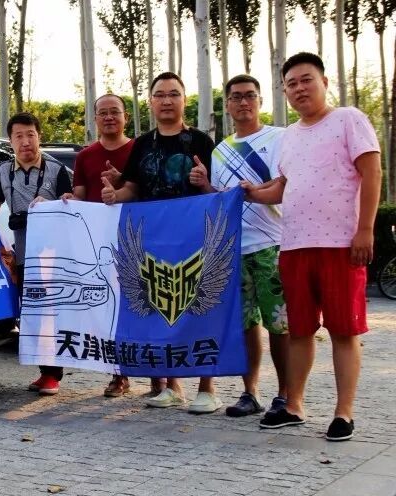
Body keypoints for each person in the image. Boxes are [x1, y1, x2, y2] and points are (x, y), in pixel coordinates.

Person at [242, 52, 381, 441]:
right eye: (291, 84)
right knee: (300, 330)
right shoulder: (289, 136)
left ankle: (343, 413)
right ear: (285, 91)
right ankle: (294, 405)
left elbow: (372, 171)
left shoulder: (349, 119)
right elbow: (282, 187)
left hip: (340, 245)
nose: (299, 88)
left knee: (343, 329)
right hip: (293, 247)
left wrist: (365, 229)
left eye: (307, 80)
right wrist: (251, 193)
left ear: (324, 82)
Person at [101, 71, 221, 414]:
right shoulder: (142, 144)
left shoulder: (201, 142)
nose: (167, 100)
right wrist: (115, 195)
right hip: (154, 239)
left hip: (195, 238)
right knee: (162, 308)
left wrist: (204, 182)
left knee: (200, 310)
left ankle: (207, 388)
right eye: (160, 95)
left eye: (173, 94)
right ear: (151, 102)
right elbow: (132, 188)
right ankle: (171, 386)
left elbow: (218, 192)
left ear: (184, 99)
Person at [193, 74, 290, 418]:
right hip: (235, 249)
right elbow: (222, 200)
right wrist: (204, 185)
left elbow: (284, 183)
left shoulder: (280, 138)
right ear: (228, 105)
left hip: (273, 244)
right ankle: (251, 392)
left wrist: (255, 190)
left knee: (280, 324)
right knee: (246, 324)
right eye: (236, 97)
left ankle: (286, 394)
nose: (243, 102)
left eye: (250, 95)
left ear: (260, 100)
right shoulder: (220, 151)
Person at [0, 112, 72, 396]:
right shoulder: (3, 171)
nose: (25, 141)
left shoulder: (56, 171)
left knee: (51, 312)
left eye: (30, 135)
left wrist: (54, 203)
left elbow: (71, 205)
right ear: (10, 141)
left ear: (39, 137)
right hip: (23, 254)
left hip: (54, 255)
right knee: (32, 313)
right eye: (19, 136)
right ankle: (45, 372)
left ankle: (53, 374)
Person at [71, 93, 138, 397]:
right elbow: (79, 196)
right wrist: (67, 201)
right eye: (103, 113)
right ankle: (117, 373)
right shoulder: (85, 156)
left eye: (115, 112)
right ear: (95, 118)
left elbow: (148, 191)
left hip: (137, 239)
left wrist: (122, 185)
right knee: (110, 308)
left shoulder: (138, 150)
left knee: (141, 305)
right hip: (100, 247)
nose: (109, 117)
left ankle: (160, 377)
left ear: (125, 117)